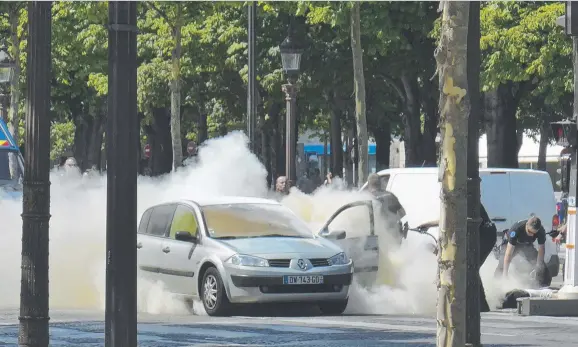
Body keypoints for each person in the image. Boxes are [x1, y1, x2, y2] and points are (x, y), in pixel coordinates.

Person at [495, 216, 551, 287]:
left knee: (543, 270)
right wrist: (505, 274)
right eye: (530, 231)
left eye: (534, 233)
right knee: (502, 264)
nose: (531, 235)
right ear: (526, 225)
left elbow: (541, 249)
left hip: (527, 245)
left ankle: (542, 286)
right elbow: (508, 253)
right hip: (513, 244)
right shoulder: (516, 230)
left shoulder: (541, 231)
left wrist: (538, 266)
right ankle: (498, 283)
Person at [366, 173, 406, 242]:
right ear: (380, 183)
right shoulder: (390, 195)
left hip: (378, 237)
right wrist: (392, 221)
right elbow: (402, 213)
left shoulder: (368, 197)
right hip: (394, 235)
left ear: (369, 184)